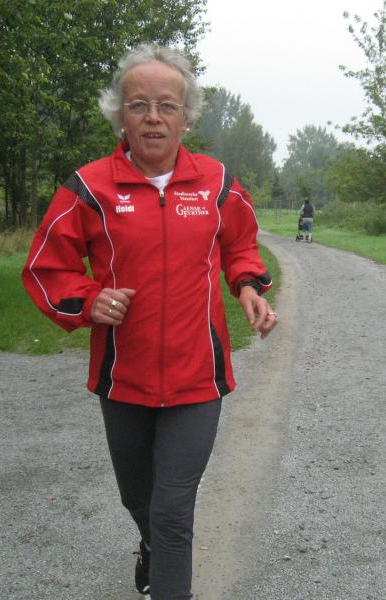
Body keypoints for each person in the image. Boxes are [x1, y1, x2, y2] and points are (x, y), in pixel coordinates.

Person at [21, 44, 278, 599]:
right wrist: (89, 300)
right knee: (138, 498)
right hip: (123, 378)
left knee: (172, 510)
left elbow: (240, 246)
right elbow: (47, 267)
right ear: (121, 115)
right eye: (139, 105)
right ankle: (150, 544)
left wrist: (248, 286)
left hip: (197, 378)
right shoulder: (89, 187)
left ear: (187, 118)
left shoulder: (218, 183)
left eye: (167, 105)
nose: (153, 117)